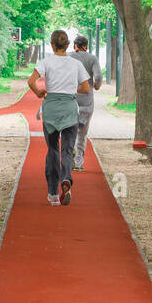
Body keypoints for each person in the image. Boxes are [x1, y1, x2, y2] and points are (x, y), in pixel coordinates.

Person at [28, 30, 89, 205]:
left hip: (51, 108)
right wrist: (70, 89)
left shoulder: (46, 62)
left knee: (53, 150)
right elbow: (85, 88)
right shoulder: (75, 64)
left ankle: (53, 194)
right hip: (69, 108)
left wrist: (40, 92)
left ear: (52, 45)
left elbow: (31, 81)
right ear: (68, 45)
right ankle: (66, 179)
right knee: (67, 151)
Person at [69, 34, 103, 171]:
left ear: (74, 46)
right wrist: (97, 85)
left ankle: (68, 155)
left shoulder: (68, 57)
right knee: (82, 132)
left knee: (69, 130)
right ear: (86, 46)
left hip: (70, 99)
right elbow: (99, 76)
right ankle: (78, 163)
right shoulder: (92, 58)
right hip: (86, 101)